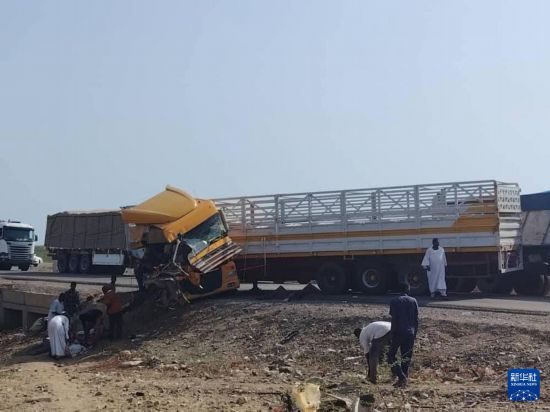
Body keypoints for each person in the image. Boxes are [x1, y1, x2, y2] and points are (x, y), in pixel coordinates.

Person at [388, 283, 419, 388]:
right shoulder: (413, 301)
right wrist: (415, 333)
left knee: (391, 355)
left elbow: (394, 319)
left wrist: (392, 333)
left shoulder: (394, 301)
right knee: (406, 356)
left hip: (398, 332)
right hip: (410, 332)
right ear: (408, 289)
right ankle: (404, 380)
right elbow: (416, 319)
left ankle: (401, 377)